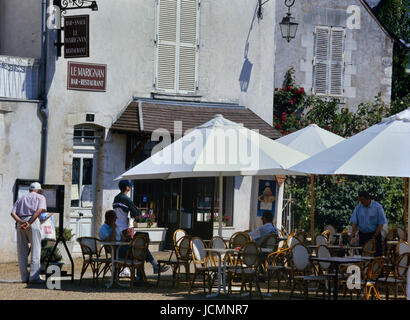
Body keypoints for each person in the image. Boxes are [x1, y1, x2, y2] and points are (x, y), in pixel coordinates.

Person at [98, 210, 169, 280]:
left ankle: (145, 273)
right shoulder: (102, 229)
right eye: (115, 219)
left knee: (141, 249)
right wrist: (113, 229)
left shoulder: (116, 227)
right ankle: (153, 268)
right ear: (110, 219)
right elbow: (111, 241)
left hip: (123, 247)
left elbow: (122, 238)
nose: (116, 220)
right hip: (115, 250)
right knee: (139, 251)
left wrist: (130, 240)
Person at [10, 182, 47, 284]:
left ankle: (24, 277)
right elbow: (39, 210)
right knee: (36, 249)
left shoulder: (21, 198)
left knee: (22, 250)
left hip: (20, 223)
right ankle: (34, 277)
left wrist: (21, 222)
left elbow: (12, 213)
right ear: (39, 190)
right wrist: (29, 222)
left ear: (30, 190)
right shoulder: (41, 197)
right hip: (33, 222)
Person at [350, 190, 387, 257]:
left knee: (376, 256)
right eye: (360, 200)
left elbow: (381, 223)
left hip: (374, 235)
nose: (361, 202)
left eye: (362, 200)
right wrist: (353, 233)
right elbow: (354, 222)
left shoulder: (377, 207)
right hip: (362, 235)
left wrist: (374, 236)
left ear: (368, 198)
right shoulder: (358, 207)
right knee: (363, 256)